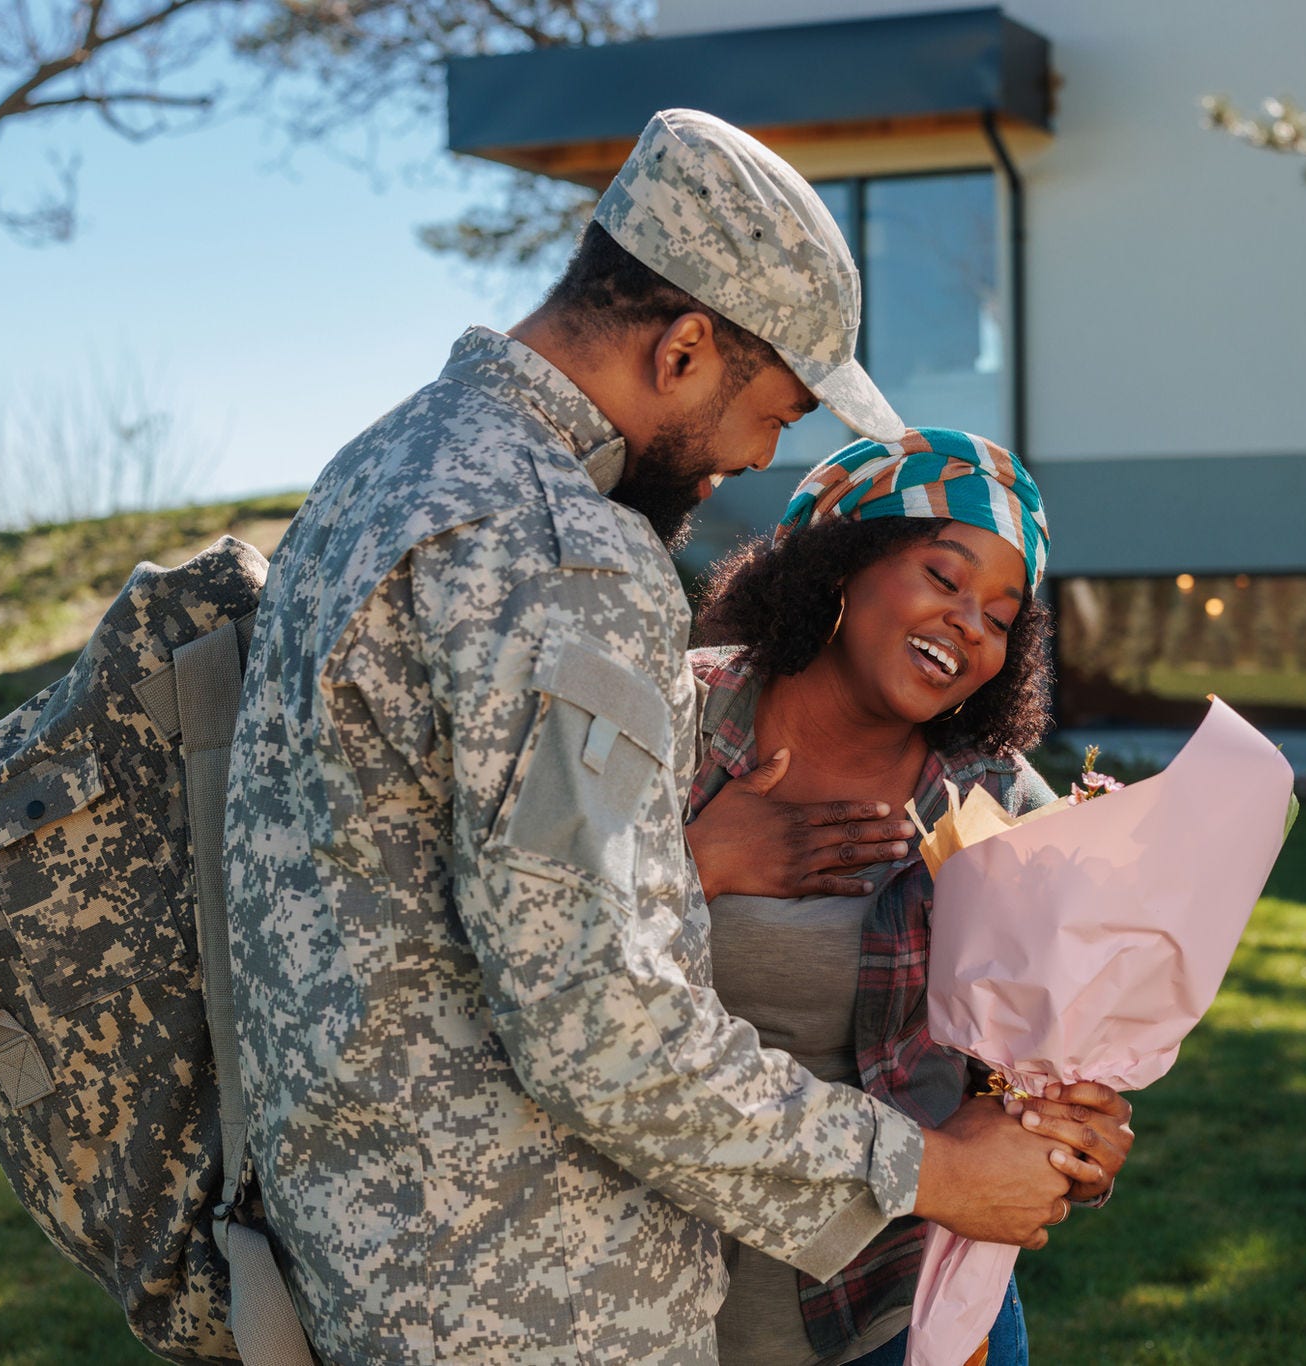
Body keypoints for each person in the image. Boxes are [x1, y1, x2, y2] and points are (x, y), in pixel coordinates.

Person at [222, 109, 1082, 1365]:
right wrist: (934, 1174)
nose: (752, 461)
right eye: (773, 414)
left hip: (365, 1260)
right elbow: (601, 1024)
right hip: (534, 1295)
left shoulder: (379, 472)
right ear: (683, 349)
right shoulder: (568, 546)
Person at [685, 428, 1138, 1365]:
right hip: (655, 1297)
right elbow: (547, 958)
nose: (975, 624)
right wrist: (693, 861)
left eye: (1005, 616)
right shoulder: (672, 726)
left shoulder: (1002, 806)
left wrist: (1075, 1137)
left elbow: (1044, 1058)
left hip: (900, 1308)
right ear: (841, 564)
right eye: (944, 575)